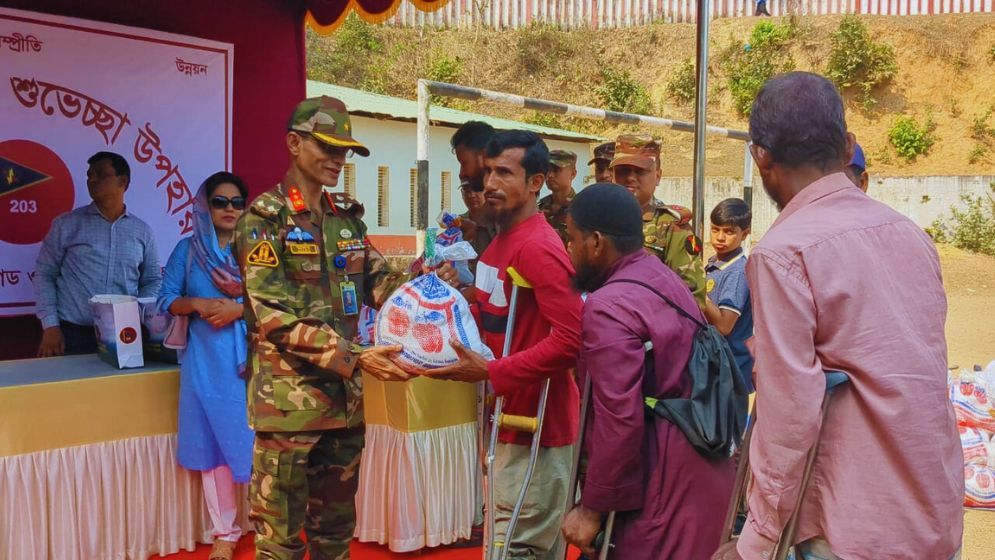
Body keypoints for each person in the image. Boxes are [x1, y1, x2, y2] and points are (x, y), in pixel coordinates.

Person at [726, 72, 963, 560]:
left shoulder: (782, 254)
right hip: (933, 517)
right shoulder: (912, 236)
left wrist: (757, 540)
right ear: (848, 142)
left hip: (851, 533)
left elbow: (788, 414)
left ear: (760, 158)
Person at [235, 95, 410, 560]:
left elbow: (382, 284)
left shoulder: (345, 219)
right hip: (290, 411)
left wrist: (430, 290)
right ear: (294, 143)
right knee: (279, 545)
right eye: (328, 147)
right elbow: (271, 315)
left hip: (344, 408)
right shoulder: (263, 220)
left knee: (335, 540)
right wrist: (354, 356)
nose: (338, 159)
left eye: (344, 150)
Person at [420, 130, 582, 560]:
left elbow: (572, 339)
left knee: (515, 550)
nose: (490, 183)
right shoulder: (498, 243)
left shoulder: (539, 247)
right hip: (504, 421)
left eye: (505, 173)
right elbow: (492, 316)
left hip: (538, 430)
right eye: (488, 171)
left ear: (535, 183)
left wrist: (493, 373)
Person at [560, 183, 735, 559]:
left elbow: (618, 415)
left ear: (595, 242)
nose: (568, 250)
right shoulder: (662, 275)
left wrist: (592, 508)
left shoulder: (609, 306)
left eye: (571, 239)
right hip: (703, 465)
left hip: (663, 480)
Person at [157, 172, 254, 560]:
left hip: (252, 358)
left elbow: (281, 305)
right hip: (205, 363)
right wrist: (196, 304)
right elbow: (165, 299)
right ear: (204, 205)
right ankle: (225, 532)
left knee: (260, 441)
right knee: (214, 446)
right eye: (220, 201)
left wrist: (238, 309)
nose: (229, 209)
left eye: (236, 202)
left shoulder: (259, 247)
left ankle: (267, 522)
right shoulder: (189, 250)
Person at [34, 151, 161, 357]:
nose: (92, 180)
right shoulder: (66, 225)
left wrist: (137, 316)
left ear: (123, 182)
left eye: (101, 174)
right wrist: (50, 326)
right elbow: (44, 274)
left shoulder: (142, 231)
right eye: (89, 175)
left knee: (121, 389)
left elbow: (153, 280)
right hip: (72, 334)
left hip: (125, 335)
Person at [609, 134, 706, 306]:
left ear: (658, 176)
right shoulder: (598, 220)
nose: (630, 177)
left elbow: (693, 298)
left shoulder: (674, 228)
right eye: (623, 170)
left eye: (640, 170)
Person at [702, 198, 754, 394]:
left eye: (729, 231)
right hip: (716, 365)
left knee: (726, 424)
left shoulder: (738, 272)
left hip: (732, 370)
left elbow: (724, 326)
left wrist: (697, 293)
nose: (720, 238)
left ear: (745, 234)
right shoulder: (715, 262)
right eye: (715, 229)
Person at [452, 120, 498, 257]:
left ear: (484, 156)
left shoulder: (509, 217)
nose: (461, 173)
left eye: (464, 163)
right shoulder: (463, 225)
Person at [538, 149, 577, 246]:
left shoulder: (580, 208)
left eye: (556, 170)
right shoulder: (538, 207)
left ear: (573, 174)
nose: (550, 175)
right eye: (548, 170)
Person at [458, 181, 494, 276]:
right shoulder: (457, 223)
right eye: (467, 190)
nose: (472, 195)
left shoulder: (498, 224)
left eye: (477, 190)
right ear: (462, 194)